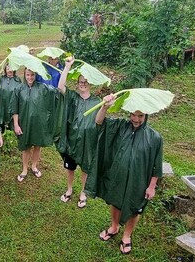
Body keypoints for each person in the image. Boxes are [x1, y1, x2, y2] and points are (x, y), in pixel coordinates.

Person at [85, 94, 163, 255]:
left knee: (135, 208)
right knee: (115, 200)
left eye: (140, 116)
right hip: (118, 176)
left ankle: (127, 236)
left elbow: (157, 164)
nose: (135, 119)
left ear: (146, 115)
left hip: (139, 180)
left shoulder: (154, 137)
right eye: (133, 114)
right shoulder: (120, 126)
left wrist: (152, 186)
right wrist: (105, 106)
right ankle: (114, 227)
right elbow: (99, 122)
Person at [56, 57, 101, 208]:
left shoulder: (97, 102)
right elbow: (61, 86)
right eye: (80, 82)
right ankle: (69, 189)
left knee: (85, 169)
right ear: (78, 83)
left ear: (90, 84)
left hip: (87, 142)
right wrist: (67, 67)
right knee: (70, 167)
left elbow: (100, 121)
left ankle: (83, 192)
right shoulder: (73, 97)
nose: (83, 84)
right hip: (71, 140)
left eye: (85, 82)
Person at [11, 68, 59, 182]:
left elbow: (57, 92)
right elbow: (15, 109)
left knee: (37, 145)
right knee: (26, 147)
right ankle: (24, 169)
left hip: (39, 123)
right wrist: (16, 125)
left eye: (32, 75)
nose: (30, 77)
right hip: (25, 123)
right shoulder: (19, 89)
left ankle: (34, 166)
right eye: (28, 75)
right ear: (24, 75)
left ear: (36, 75)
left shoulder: (42, 88)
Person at [0, 63, 22, 132]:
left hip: (13, 111)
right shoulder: (0, 79)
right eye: (8, 68)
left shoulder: (17, 80)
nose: (9, 71)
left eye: (11, 68)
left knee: (13, 132)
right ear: (5, 70)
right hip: (1, 110)